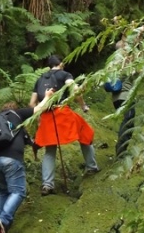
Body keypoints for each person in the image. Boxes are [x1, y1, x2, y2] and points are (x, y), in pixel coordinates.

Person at [0, 91, 54, 233]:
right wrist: (48, 96)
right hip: (11, 160)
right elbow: (39, 108)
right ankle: (3, 220)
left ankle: (2, 227)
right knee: (18, 192)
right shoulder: (17, 115)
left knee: (2, 191)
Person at [29, 55, 99, 196]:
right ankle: (91, 167)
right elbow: (75, 90)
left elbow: (32, 103)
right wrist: (83, 106)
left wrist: (38, 118)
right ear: (61, 64)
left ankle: (47, 184)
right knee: (84, 133)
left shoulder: (40, 79)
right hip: (62, 112)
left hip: (46, 116)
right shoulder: (65, 74)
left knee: (50, 149)